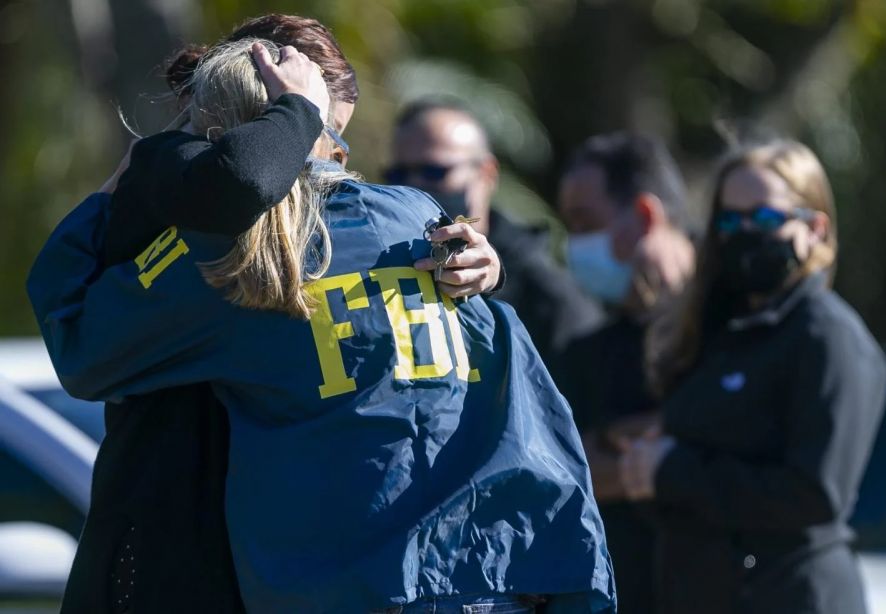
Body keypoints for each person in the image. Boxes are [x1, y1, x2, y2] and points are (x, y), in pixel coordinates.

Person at [29, 38, 617, 613]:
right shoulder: (417, 220)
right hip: (494, 571)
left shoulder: (231, 262)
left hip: (350, 586)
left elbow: (78, 340)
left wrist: (111, 191)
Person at [618, 140, 886, 614]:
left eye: (764, 218)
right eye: (730, 220)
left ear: (815, 227)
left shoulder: (827, 337)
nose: (744, 232)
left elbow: (814, 494)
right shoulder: (720, 330)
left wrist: (671, 471)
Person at [555, 132, 695, 614]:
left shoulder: (734, 331)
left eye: (585, 223)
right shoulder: (588, 351)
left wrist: (631, 448)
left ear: (644, 216)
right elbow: (569, 472)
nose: (574, 244)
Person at [385, 100, 605, 362]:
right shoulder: (385, 265)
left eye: (435, 172)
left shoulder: (550, 299)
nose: (414, 188)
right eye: (398, 175)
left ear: (487, 174)